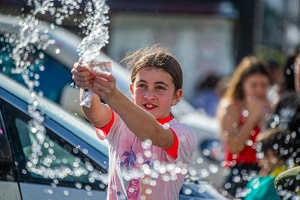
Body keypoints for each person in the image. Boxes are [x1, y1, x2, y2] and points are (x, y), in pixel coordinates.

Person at [71, 44, 197, 200]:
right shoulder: (119, 120)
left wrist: (112, 95)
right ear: (131, 90)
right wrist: (88, 82)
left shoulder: (184, 134)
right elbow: (92, 110)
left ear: (176, 96)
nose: (149, 95)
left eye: (160, 88)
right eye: (142, 86)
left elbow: (153, 133)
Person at [216, 55, 271, 198]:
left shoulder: (269, 106)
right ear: (242, 85)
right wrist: (251, 118)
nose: (259, 90)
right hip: (238, 173)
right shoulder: (231, 107)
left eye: (264, 85)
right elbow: (234, 147)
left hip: (263, 172)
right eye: (254, 85)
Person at [244, 128, 295, 200]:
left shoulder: (271, 182)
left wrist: (258, 179)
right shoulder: (293, 172)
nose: (259, 162)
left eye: (261, 156)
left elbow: (250, 198)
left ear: (270, 154)